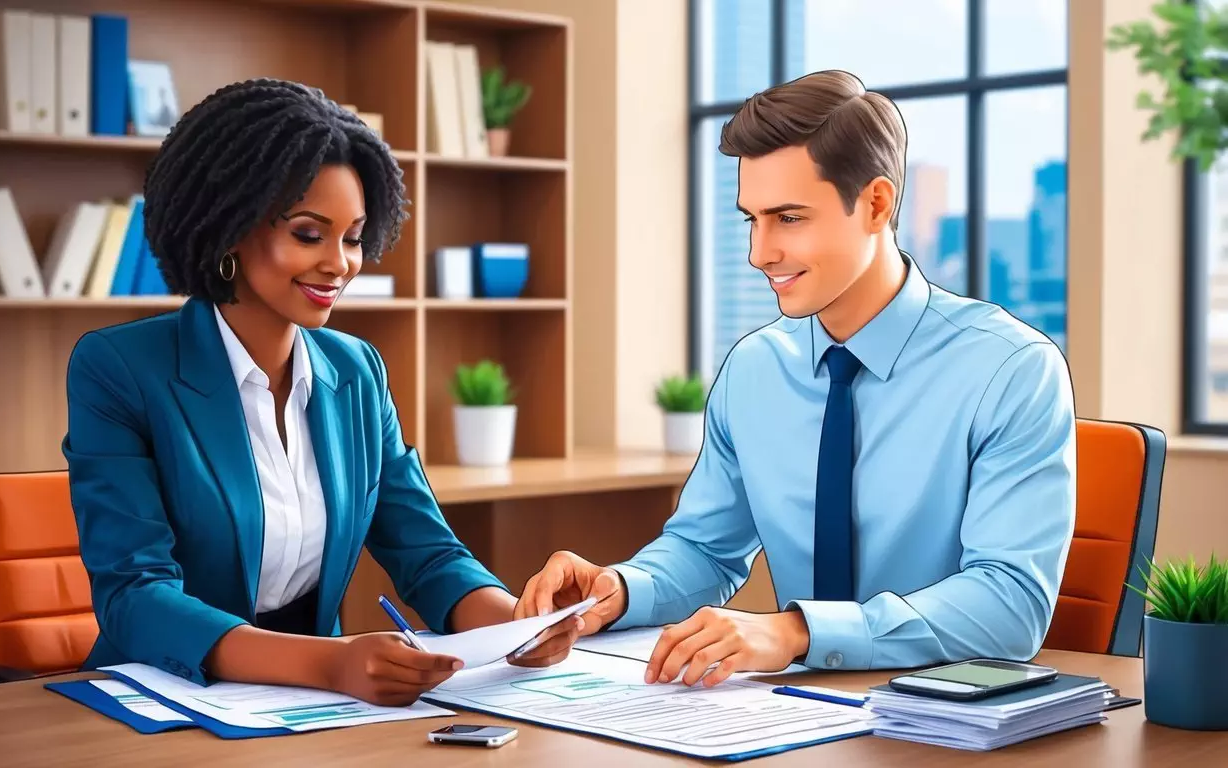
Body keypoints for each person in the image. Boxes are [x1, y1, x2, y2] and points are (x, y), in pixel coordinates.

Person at [514, 70, 1078, 688]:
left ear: (876, 204)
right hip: (789, 717)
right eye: (751, 219)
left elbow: (1010, 606)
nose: (760, 253)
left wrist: (797, 632)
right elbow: (705, 549)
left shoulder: (1009, 370)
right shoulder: (755, 370)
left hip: (943, 726)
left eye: (788, 218)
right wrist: (620, 589)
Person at [62, 79, 579, 706]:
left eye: (354, 237)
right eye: (309, 234)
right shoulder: (119, 368)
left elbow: (428, 553)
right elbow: (135, 598)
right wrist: (331, 665)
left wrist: (512, 627)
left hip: (313, 709)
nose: (341, 264)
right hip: (168, 694)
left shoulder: (356, 370)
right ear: (228, 225)